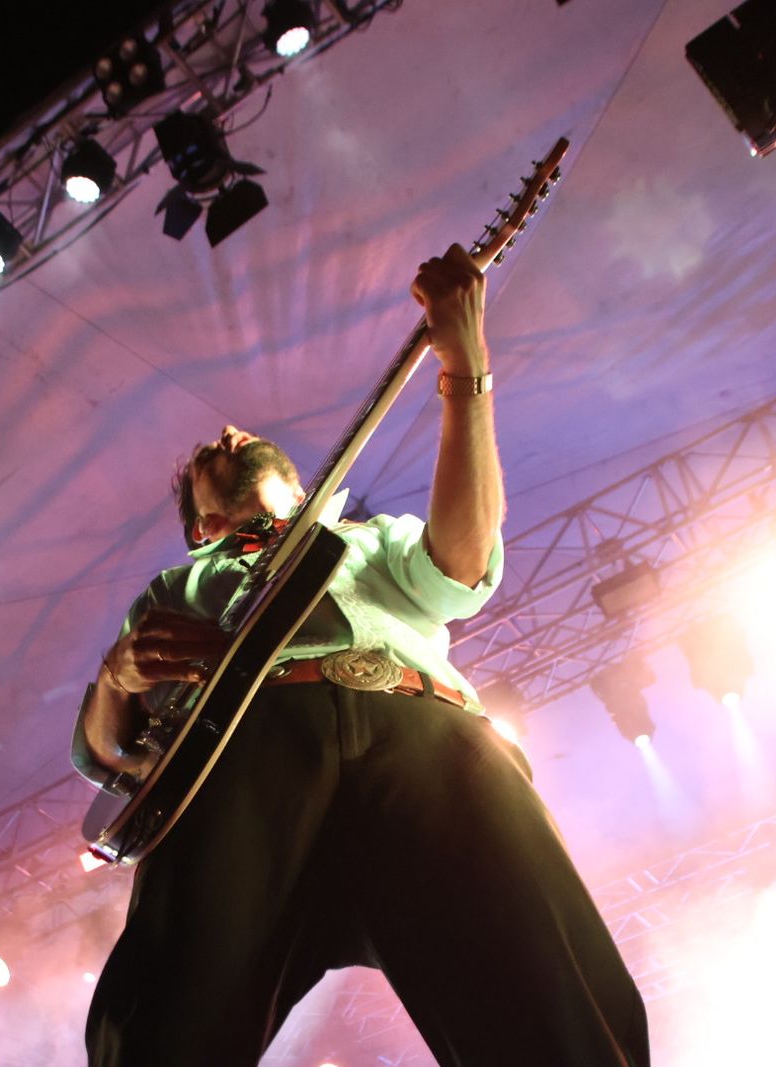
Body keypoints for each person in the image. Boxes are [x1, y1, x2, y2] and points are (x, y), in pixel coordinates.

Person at [72, 245, 649, 1066]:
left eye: (240, 435)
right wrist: (116, 677)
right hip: (240, 761)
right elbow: (107, 756)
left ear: (303, 483)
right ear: (198, 527)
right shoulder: (172, 587)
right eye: (210, 452)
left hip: (426, 732)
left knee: (551, 998)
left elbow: (460, 561)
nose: (232, 431)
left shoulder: (371, 538)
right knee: (168, 1020)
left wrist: (466, 367)